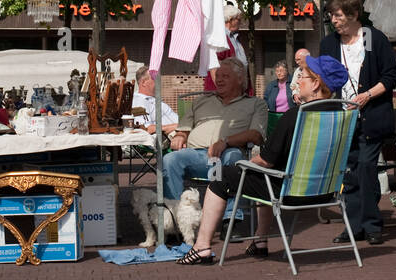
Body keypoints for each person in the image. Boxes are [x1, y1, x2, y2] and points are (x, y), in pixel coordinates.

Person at [178, 55, 352, 264]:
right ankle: (260, 242)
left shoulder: (294, 116)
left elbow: (266, 161)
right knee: (270, 174)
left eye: (302, 76)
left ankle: (201, 247)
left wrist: (241, 165)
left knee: (222, 177)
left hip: (290, 193)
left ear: (315, 84)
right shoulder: (343, 116)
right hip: (325, 193)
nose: (296, 80)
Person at [320, 0, 396, 246]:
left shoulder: (373, 39)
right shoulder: (330, 44)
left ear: (354, 15)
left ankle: (372, 224)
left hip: (370, 115)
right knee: (349, 172)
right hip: (342, 118)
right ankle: (353, 226)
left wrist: (366, 96)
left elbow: (389, 77)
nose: (334, 19)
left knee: (365, 167)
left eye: (338, 15)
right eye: (331, 15)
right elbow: (324, 80)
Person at [162, 58, 266, 199]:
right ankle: (174, 212)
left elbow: (256, 135)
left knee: (233, 157)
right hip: (196, 155)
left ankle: (228, 217)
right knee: (169, 159)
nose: (219, 80)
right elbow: (184, 129)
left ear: (240, 80)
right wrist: (180, 135)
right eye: (218, 76)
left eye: (225, 76)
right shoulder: (200, 101)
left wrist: (225, 142)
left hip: (227, 154)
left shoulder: (255, 104)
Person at [202, 5, 252, 95]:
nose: (240, 22)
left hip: (237, 90)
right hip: (225, 94)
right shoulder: (219, 38)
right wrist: (223, 91)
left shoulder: (235, 38)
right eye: (238, 19)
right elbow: (214, 66)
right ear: (230, 19)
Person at [132, 66, 178, 135]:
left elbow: (177, 120)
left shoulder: (155, 100)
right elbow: (146, 129)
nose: (159, 82)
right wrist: (177, 127)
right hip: (166, 141)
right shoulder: (138, 102)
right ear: (144, 82)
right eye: (155, 79)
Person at [263, 60, 293, 132]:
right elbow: (265, 99)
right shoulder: (271, 85)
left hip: (289, 116)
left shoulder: (292, 83)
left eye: (281, 70)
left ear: (287, 71)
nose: (279, 73)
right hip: (274, 116)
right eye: (277, 71)